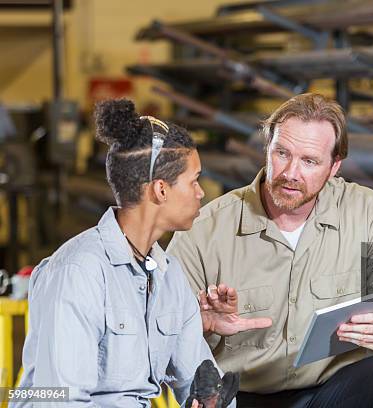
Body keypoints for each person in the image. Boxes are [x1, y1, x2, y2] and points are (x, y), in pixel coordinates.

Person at [167, 93, 373, 407]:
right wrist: (199, 326)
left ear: (334, 166)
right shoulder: (204, 230)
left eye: (309, 161)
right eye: (282, 153)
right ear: (267, 148)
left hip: (332, 392)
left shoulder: (366, 211)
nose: (290, 173)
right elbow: (161, 348)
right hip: (241, 397)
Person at [12, 99, 236, 407]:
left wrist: (212, 400)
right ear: (161, 190)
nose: (201, 193)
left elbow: (197, 381)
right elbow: (61, 401)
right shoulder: (77, 272)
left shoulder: (169, 276)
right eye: (194, 181)